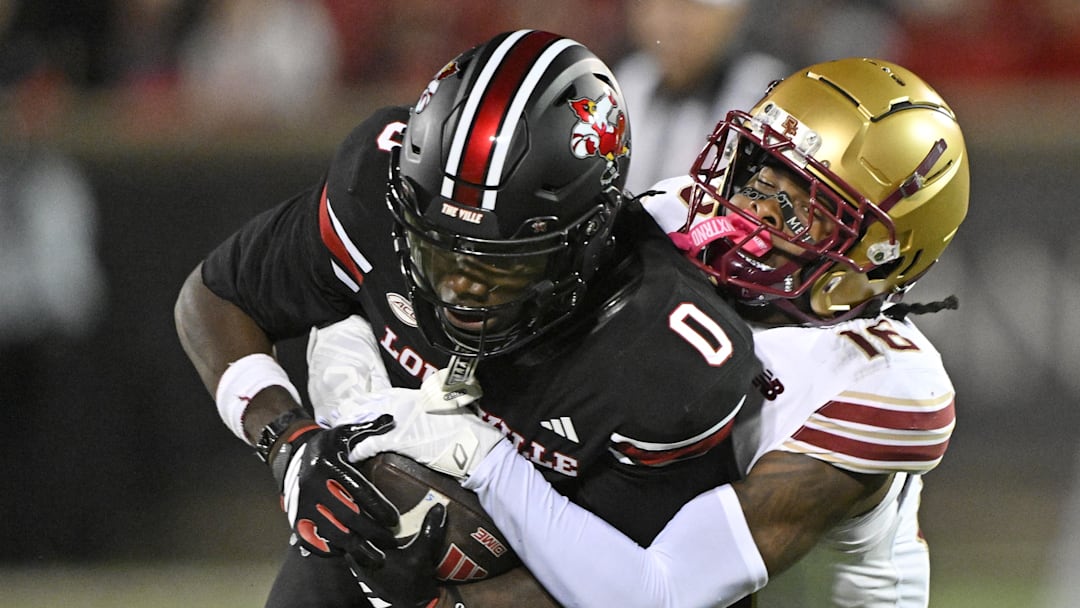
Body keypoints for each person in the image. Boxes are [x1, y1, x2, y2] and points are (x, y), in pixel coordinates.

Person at [348, 57, 970, 607]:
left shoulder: (877, 381)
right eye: (758, 172)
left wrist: (481, 470)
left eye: (805, 208)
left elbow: (664, 590)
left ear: (882, 256)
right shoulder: (672, 218)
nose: (752, 208)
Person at [174, 29, 763, 607]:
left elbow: (642, 589)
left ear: (587, 238)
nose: (459, 288)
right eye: (438, 251)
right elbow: (214, 298)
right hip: (380, 542)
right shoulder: (374, 192)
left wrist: (445, 602)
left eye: (500, 265)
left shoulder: (664, 348)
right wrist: (288, 442)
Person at [613, 0, 788, 193]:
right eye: (657, 6)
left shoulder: (765, 94)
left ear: (730, 18)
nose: (672, 25)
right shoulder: (630, 81)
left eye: (691, 9)